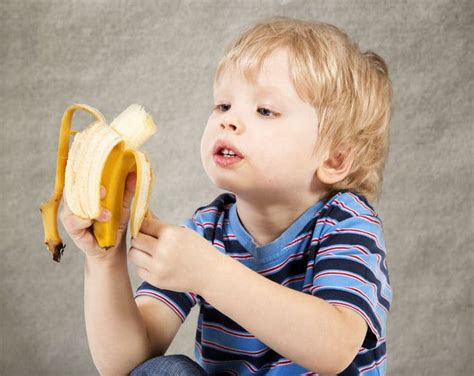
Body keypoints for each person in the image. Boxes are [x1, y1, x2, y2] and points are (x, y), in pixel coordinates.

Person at [60, 16, 393, 375]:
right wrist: (105, 262)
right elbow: (127, 364)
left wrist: (209, 274)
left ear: (335, 158)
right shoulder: (207, 230)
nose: (228, 121)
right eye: (223, 105)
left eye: (265, 110)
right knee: (165, 371)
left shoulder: (347, 223)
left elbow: (335, 347)